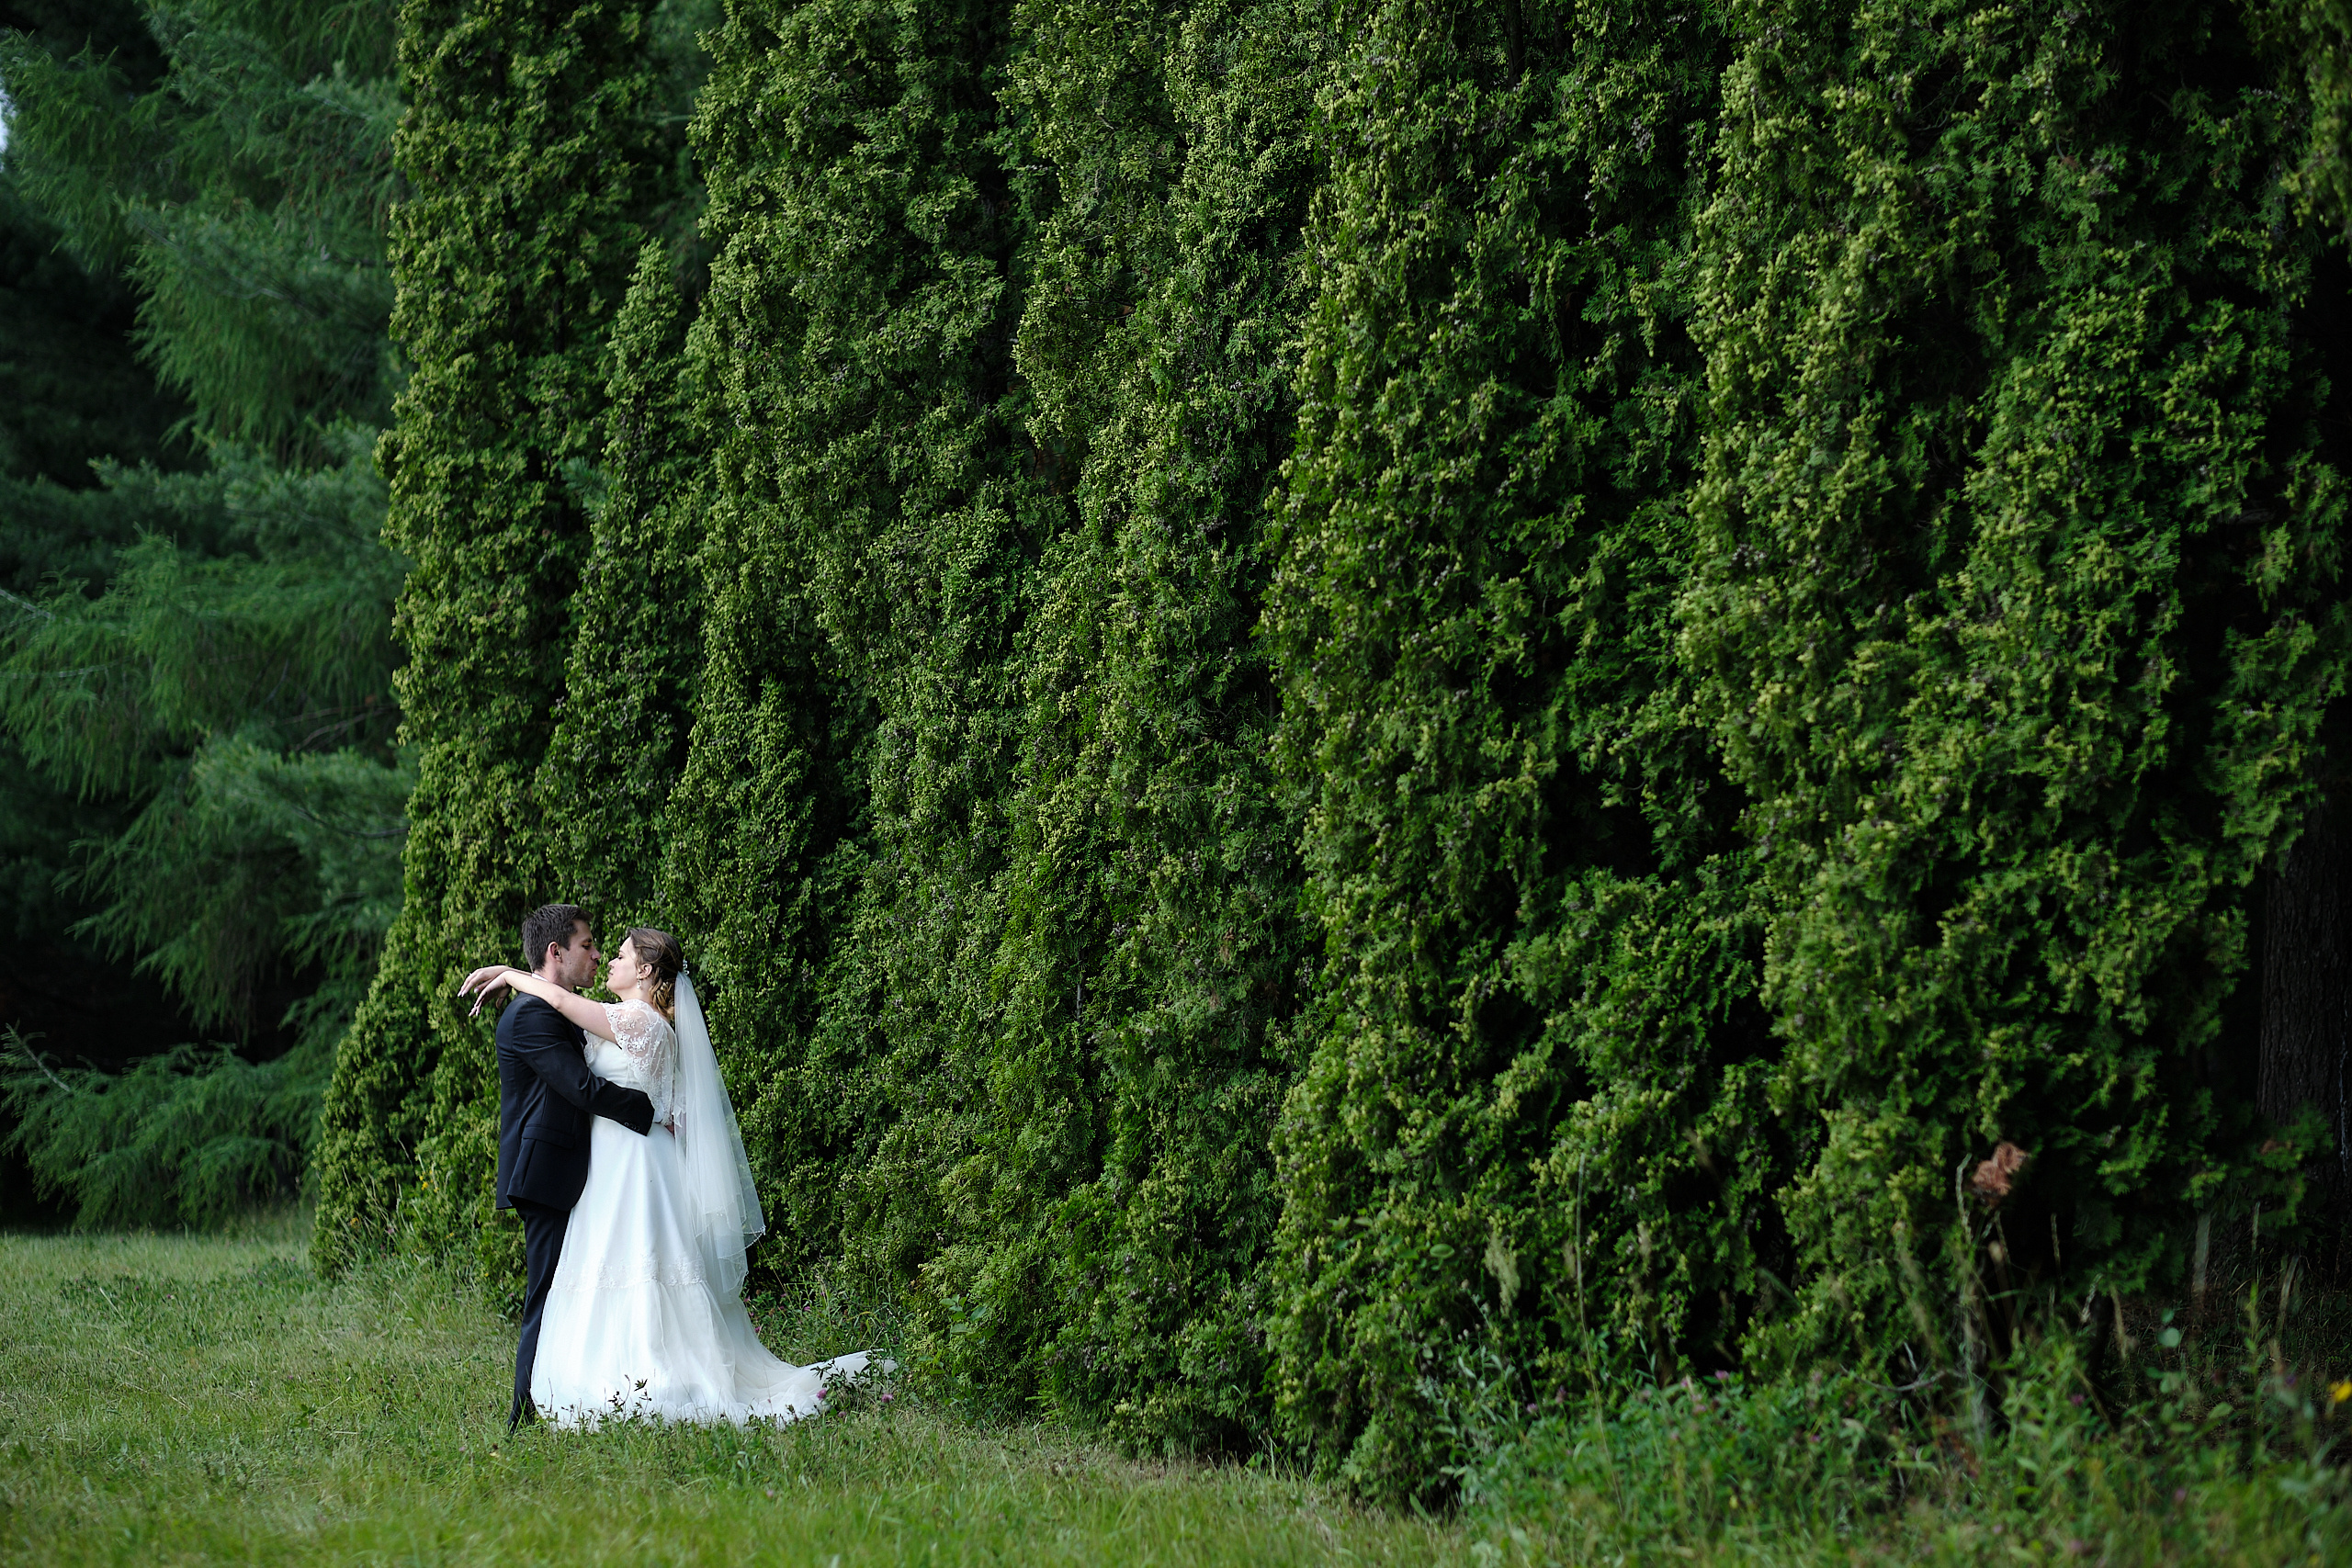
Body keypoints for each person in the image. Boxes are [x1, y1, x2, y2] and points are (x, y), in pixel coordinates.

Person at [459, 924, 872, 1426]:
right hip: (616, 1159)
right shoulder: (629, 1017)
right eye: (600, 950)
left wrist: (508, 974)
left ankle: (652, 1374)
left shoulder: (638, 1020)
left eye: (620, 955)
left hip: (636, 1160)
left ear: (646, 970)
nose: (608, 961)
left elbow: (564, 1004)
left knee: (643, 1264)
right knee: (616, 1263)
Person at [491, 903, 658, 1432]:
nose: (596, 955)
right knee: (545, 1293)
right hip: (545, 1171)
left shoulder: (555, 1007)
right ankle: (524, 1414)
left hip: (568, 1169)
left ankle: (566, 1395)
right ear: (555, 952)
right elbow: (582, 1088)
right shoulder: (533, 1014)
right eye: (587, 945)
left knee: (565, 1291)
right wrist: (652, 1111)